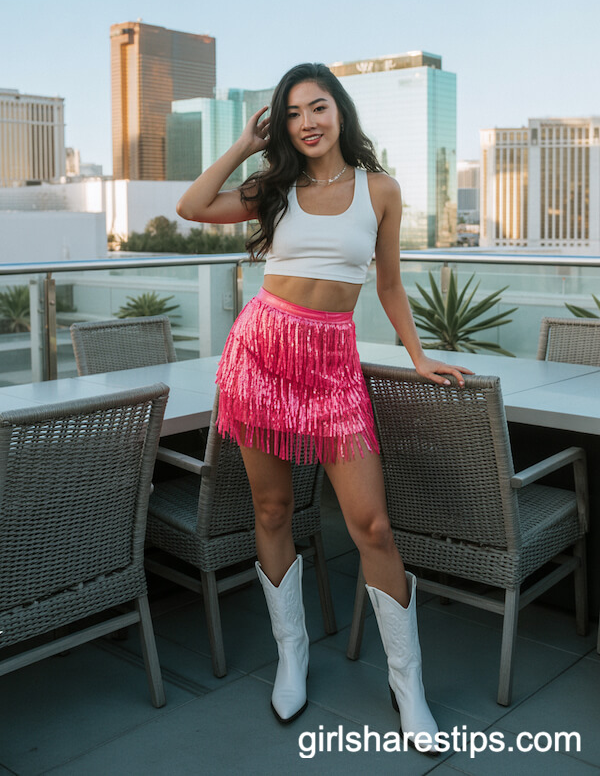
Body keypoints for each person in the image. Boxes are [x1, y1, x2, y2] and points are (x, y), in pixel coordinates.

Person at [177, 62, 472, 753]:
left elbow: (391, 284)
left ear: (340, 111)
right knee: (273, 511)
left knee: (371, 524)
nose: (307, 122)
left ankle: (409, 689)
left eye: (318, 107)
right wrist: (246, 147)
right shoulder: (273, 188)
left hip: (333, 365)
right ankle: (292, 655)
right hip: (260, 353)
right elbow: (193, 206)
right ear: (280, 126)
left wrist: (418, 355)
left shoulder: (380, 189)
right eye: (292, 114)